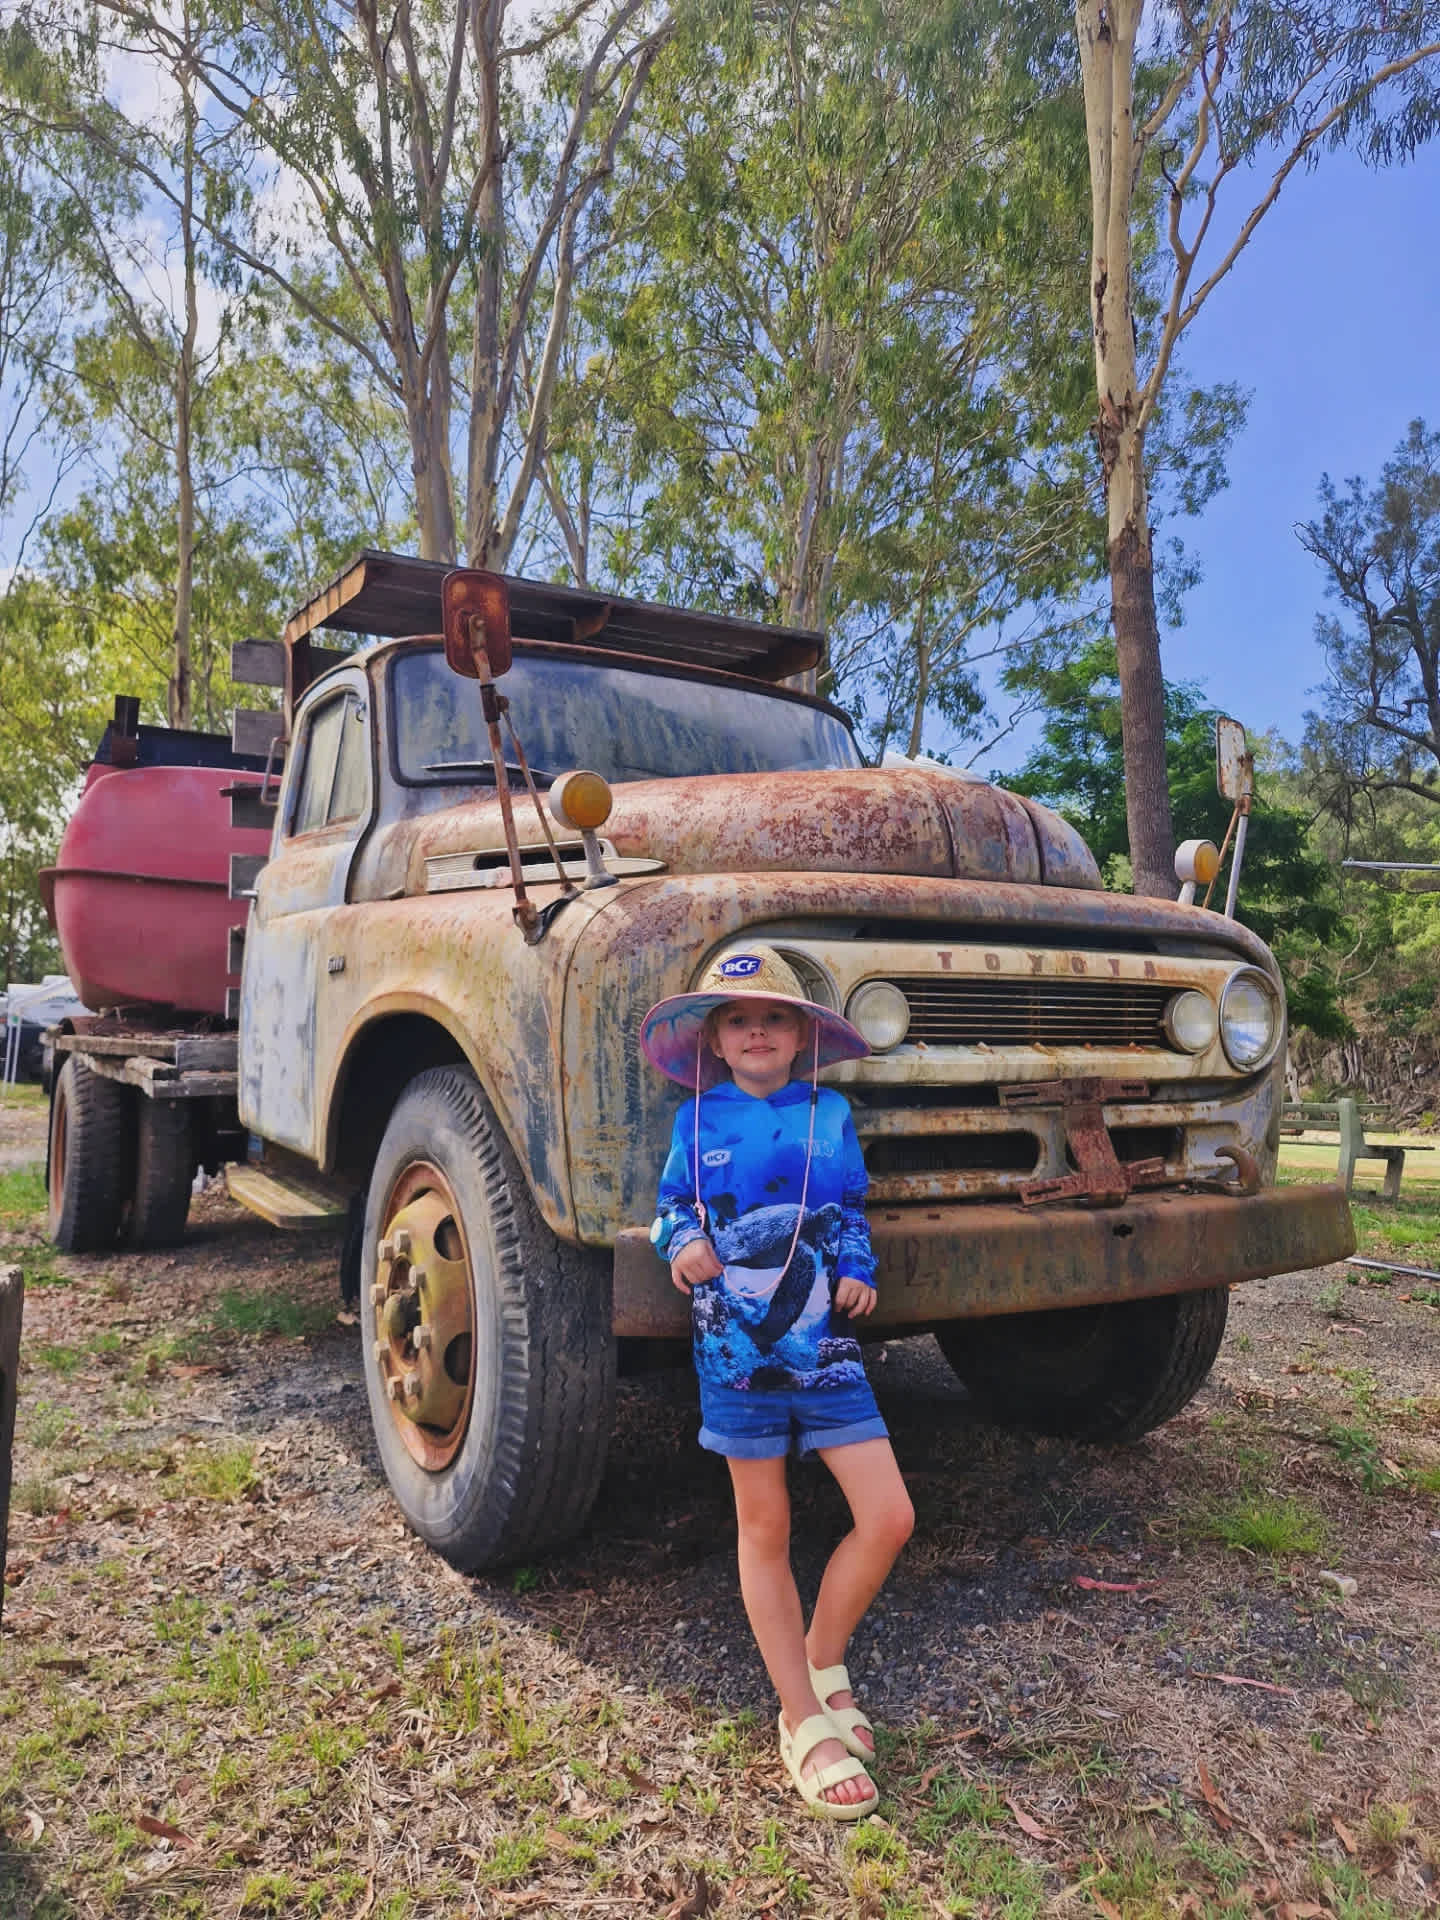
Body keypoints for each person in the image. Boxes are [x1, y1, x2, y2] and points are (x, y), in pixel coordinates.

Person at [641, 946, 914, 1820]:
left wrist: (858, 1270)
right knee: (766, 1527)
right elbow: (670, 1210)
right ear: (715, 1041)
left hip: (827, 1352)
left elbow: (850, 1212)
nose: (756, 1032)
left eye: (774, 1018)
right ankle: (800, 1717)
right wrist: (683, 1243)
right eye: (738, 1020)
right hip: (734, 1356)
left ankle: (822, 1658)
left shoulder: (831, 1113)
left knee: (889, 1515)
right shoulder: (696, 1120)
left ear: (802, 1037)